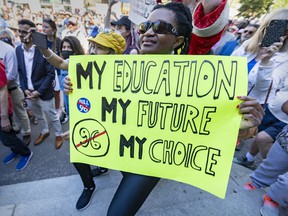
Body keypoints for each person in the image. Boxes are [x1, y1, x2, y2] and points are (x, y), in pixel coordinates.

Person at [64, 2, 265, 215]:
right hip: (121, 147)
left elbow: (218, 126)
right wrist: (76, 88)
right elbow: (101, 104)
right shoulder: (122, 66)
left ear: (178, 40)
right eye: (145, 27)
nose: (148, 33)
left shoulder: (198, 80)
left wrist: (247, 123)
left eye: (160, 27)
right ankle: (91, 185)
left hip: (149, 160)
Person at [15, 19, 63, 149]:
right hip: (29, 92)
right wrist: (25, 89)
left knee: (52, 115)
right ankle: (44, 132)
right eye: (19, 31)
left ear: (32, 33)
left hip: (43, 91)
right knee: (39, 115)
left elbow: (50, 74)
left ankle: (59, 135)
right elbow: (20, 71)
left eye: (24, 31)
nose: (21, 34)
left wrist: (39, 91)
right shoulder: (18, 50)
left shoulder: (43, 50)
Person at [243, 101, 288, 216]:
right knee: (270, 166)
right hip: (285, 141)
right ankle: (255, 183)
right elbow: (285, 107)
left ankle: (274, 198)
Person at [0, 60, 33, 171]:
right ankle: (15, 150)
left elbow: (2, 91)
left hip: (2, 110)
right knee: (8, 136)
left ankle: (26, 153)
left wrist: (4, 117)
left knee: (7, 138)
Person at [0, 39, 31, 146]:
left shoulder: (7, 50)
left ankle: (26, 133)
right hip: (2, 90)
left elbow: (11, 75)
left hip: (12, 88)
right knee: (8, 114)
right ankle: (14, 129)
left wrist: (1, 85)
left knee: (20, 112)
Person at [42, 18, 65, 123]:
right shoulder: (42, 41)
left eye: (46, 27)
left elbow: (61, 59)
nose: (44, 29)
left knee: (57, 92)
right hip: (45, 71)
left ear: (54, 29)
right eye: (43, 27)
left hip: (57, 71)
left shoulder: (59, 42)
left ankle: (58, 110)